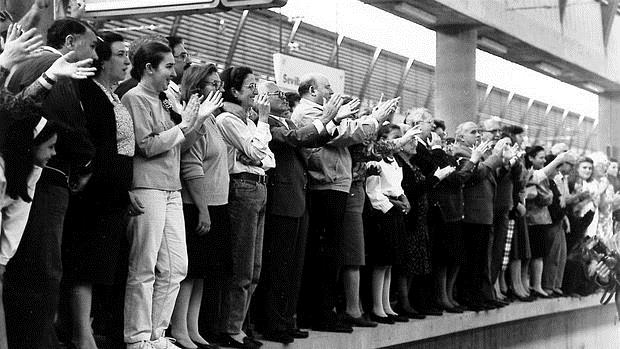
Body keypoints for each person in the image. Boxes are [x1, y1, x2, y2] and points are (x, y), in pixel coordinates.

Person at [3, 18, 99, 349]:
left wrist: (48, 78)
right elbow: (16, 113)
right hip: (32, 177)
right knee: (42, 269)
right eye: (93, 45)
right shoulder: (33, 62)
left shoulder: (38, 67)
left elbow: (14, 109)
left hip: (25, 175)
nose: (96, 55)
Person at [121, 41, 213, 349]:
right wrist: (184, 125)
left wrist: (196, 124)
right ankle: (136, 339)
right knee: (144, 266)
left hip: (171, 189)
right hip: (147, 187)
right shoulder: (134, 97)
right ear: (149, 68)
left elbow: (180, 146)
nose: (174, 72)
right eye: (168, 67)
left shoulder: (165, 99)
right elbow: (145, 146)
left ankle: (156, 335)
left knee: (177, 266)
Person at [292, 73, 395, 333]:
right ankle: (319, 314)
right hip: (325, 183)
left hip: (334, 183)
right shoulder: (308, 113)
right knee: (324, 254)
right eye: (327, 86)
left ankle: (324, 312)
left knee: (330, 253)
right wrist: (374, 119)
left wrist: (368, 120)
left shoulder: (322, 112)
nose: (331, 91)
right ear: (312, 89)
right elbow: (344, 135)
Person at [60, 32, 136, 349]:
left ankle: (85, 329)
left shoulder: (113, 94)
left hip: (113, 192)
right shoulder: (91, 92)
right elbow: (97, 144)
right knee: (86, 263)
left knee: (102, 265)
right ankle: (81, 334)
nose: (127, 60)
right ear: (102, 61)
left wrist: (123, 190)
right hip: (96, 192)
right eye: (120, 54)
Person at [254, 81, 341, 343]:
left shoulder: (287, 121)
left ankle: (286, 318)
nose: (282, 97)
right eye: (276, 94)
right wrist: (324, 118)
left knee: (294, 265)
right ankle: (273, 322)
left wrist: (329, 122)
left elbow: (311, 139)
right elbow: (296, 139)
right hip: (282, 198)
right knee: (279, 265)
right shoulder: (268, 122)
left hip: (298, 197)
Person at [215, 66, 274, 349]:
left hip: (259, 186)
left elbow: (267, 158)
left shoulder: (248, 122)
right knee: (242, 264)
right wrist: (262, 124)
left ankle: (239, 324)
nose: (256, 92)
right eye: (250, 86)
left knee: (256, 266)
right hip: (243, 188)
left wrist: (256, 150)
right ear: (234, 91)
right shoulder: (229, 119)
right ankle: (231, 328)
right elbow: (257, 151)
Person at [0, 96, 60, 349]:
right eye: (50, 147)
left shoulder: (31, 170)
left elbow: (16, 217)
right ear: (30, 145)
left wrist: (3, 260)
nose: (54, 153)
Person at [172, 63, 224, 349]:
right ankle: (179, 328)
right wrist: (203, 209)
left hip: (215, 202)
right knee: (190, 270)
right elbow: (192, 166)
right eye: (212, 84)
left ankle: (193, 328)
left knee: (203, 272)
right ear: (197, 88)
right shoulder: (196, 118)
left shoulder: (212, 119)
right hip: (197, 204)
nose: (218, 88)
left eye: (219, 83)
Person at [364, 124, 412, 324]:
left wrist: (404, 198)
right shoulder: (376, 161)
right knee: (381, 260)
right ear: (383, 140)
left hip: (395, 211)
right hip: (383, 212)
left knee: (390, 262)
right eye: (395, 137)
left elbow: (396, 186)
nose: (400, 141)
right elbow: (374, 192)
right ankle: (376, 306)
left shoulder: (394, 162)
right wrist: (394, 204)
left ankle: (386, 304)